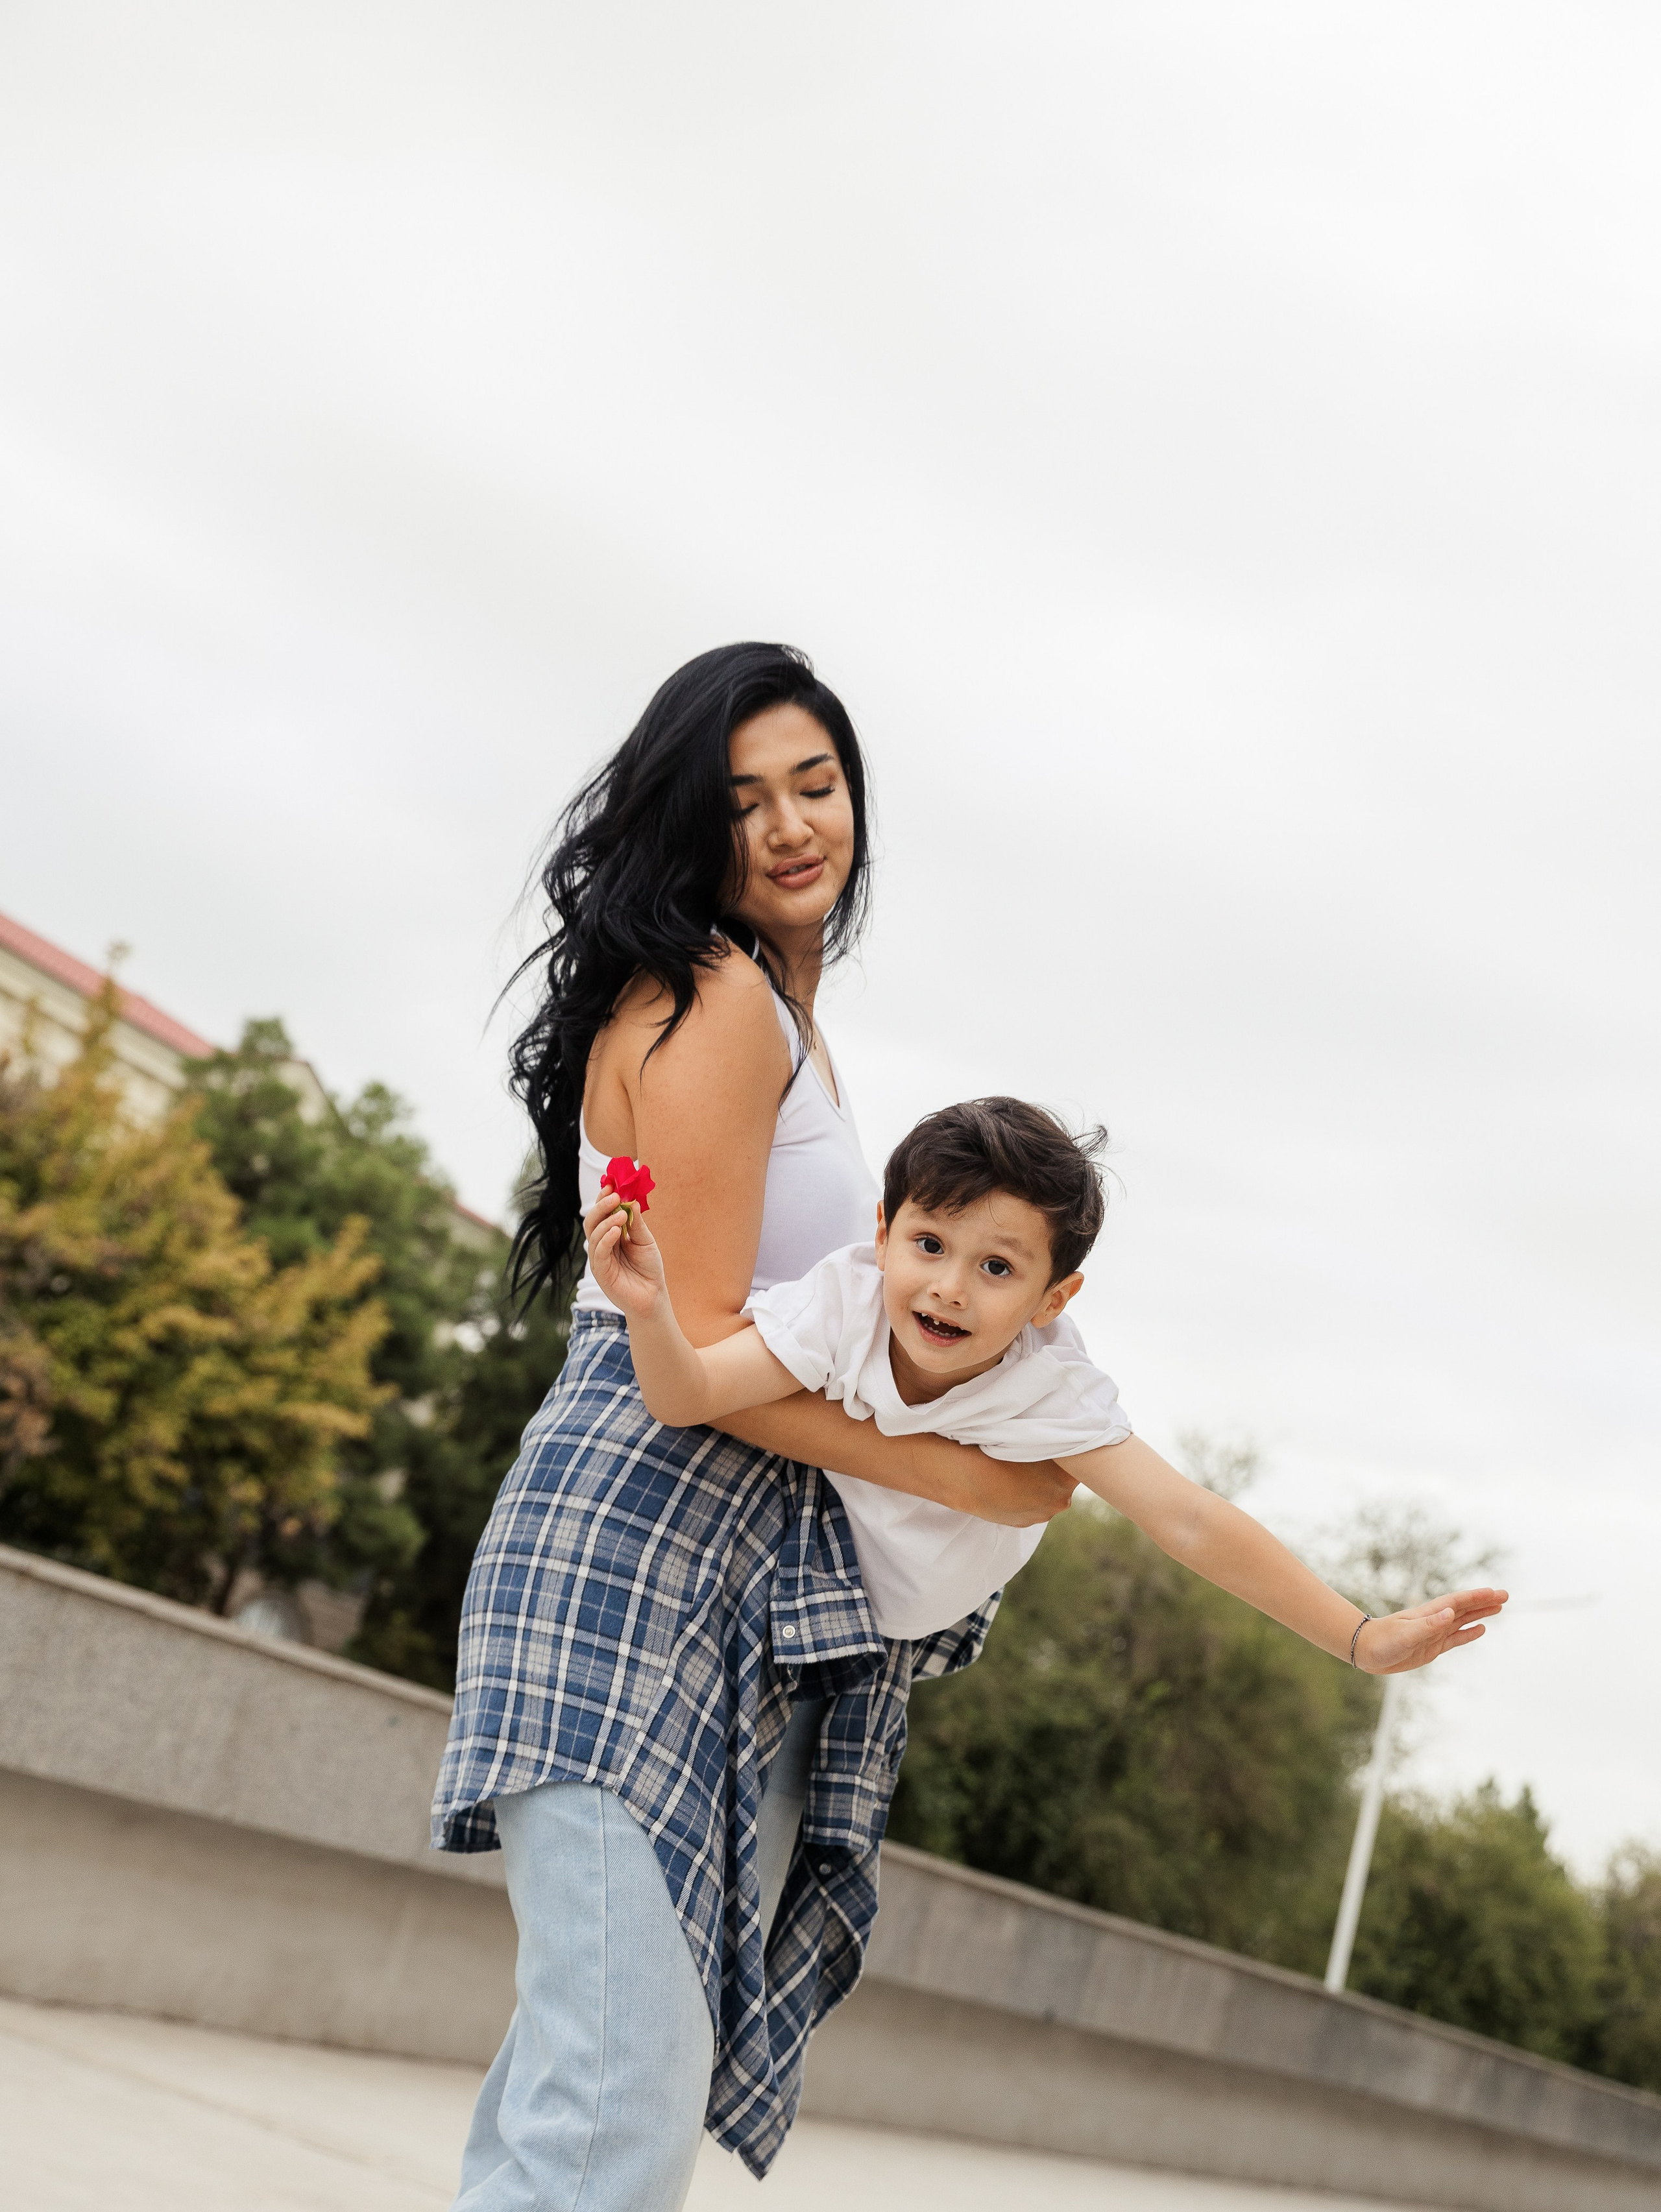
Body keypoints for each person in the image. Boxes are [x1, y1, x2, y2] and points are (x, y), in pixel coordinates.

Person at [431, 644, 1076, 2211]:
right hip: (630, 1555)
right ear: (687, 826)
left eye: (816, 783)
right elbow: (696, 1360)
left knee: (575, 2106)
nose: (793, 825)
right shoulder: (716, 997)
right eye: (744, 802)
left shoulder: (780, 1011)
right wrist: (956, 1476)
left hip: (711, 1591)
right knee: (605, 2125)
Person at [587, 1094, 1510, 1666]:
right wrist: (649, 1310)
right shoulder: (848, 1300)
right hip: (816, 1562)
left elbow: (1186, 1516)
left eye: (998, 1269)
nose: (949, 1286)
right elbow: (686, 1394)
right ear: (881, 1232)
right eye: (930, 1244)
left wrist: (1356, 1636)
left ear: (1052, 1298)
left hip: (930, 1628)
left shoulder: (1048, 1386)